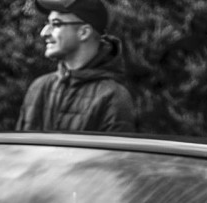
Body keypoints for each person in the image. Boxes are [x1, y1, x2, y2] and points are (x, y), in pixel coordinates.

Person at [17, 0, 136, 133]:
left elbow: (114, 147)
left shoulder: (113, 97)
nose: (44, 32)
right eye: (47, 23)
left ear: (84, 32)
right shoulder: (38, 87)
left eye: (56, 24)